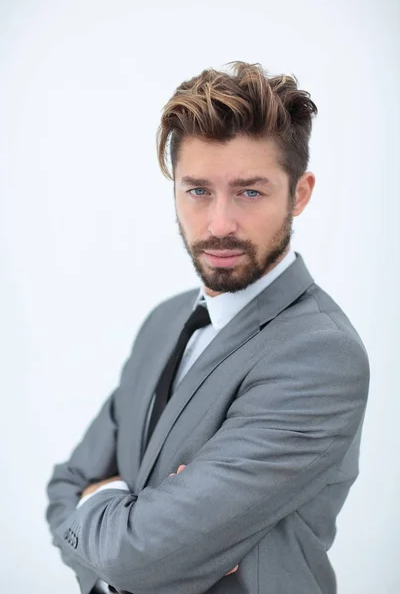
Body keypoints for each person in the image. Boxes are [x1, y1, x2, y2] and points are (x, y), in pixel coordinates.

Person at [45, 61, 370, 594]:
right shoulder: (164, 321)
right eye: (198, 191)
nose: (219, 224)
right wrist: (123, 531)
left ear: (300, 193)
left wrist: (108, 513)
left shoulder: (319, 354)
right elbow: (67, 484)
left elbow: (133, 558)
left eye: (250, 192)